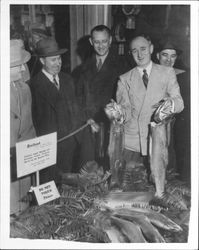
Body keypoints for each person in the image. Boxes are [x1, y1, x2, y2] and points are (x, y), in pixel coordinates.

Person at [30, 37, 95, 184]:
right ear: (42, 61)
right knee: (54, 191)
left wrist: (86, 119)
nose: (58, 63)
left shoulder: (68, 80)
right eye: (53, 60)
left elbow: (76, 109)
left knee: (73, 190)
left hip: (73, 146)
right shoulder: (33, 86)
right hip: (51, 150)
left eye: (59, 58)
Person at [115, 34, 184, 172]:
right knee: (131, 189)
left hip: (158, 140)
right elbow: (126, 110)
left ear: (151, 49)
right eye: (135, 51)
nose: (140, 54)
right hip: (133, 143)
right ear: (130, 54)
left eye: (143, 49)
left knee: (159, 187)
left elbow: (179, 102)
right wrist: (118, 113)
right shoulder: (124, 79)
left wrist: (167, 106)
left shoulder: (167, 72)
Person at [75, 24, 130, 169]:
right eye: (97, 42)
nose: (101, 46)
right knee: (88, 171)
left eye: (104, 41)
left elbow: (124, 101)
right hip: (87, 126)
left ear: (110, 40)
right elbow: (78, 99)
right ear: (91, 42)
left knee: (109, 168)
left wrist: (98, 118)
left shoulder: (123, 66)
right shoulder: (82, 69)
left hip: (111, 128)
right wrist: (87, 119)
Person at [156, 38, 190, 184]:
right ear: (157, 56)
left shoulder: (185, 76)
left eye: (173, 56)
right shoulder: (150, 74)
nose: (169, 60)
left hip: (179, 126)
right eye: (165, 55)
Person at [10, 39, 36, 214]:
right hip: (7, 163)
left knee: (24, 207)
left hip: (24, 159)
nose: (22, 68)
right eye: (17, 65)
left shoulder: (25, 88)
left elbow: (29, 124)